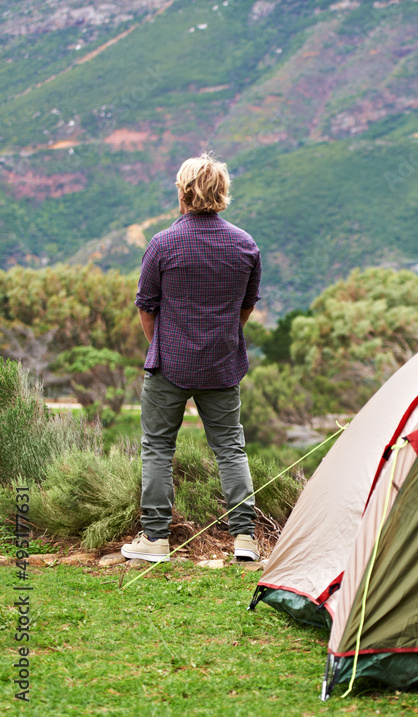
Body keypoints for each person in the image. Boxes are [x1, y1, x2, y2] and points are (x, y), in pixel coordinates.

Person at [122, 152, 262, 563]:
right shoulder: (245, 245)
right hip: (222, 364)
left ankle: (156, 539)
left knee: (158, 448)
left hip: (170, 364)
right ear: (222, 193)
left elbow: (146, 305)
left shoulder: (163, 243)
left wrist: (160, 345)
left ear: (183, 192)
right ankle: (245, 539)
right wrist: (223, 337)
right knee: (230, 448)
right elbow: (246, 306)